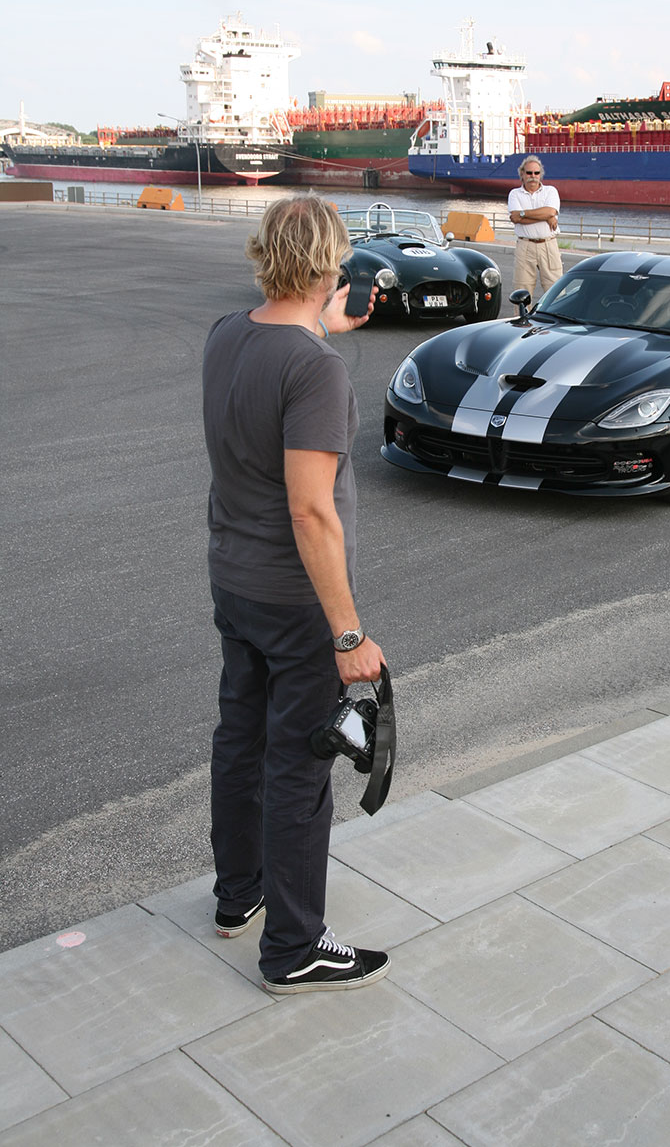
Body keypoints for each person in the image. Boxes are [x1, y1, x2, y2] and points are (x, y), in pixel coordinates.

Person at [202, 194, 390, 996]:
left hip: (233, 580)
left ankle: (237, 895)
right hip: (293, 602)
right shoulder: (315, 371)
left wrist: (323, 326)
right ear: (329, 264)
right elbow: (311, 510)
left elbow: (274, 363)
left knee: (239, 740)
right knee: (300, 768)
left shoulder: (228, 333)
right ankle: (294, 947)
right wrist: (348, 635)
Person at [507, 156, 564, 295]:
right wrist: (546, 217)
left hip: (548, 246)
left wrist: (523, 214)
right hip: (525, 246)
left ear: (540, 174)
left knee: (555, 292)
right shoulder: (515, 194)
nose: (533, 176)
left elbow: (550, 211)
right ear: (522, 174)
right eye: (529, 173)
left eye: (536, 173)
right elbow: (515, 218)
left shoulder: (551, 191)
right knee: (522, 292)